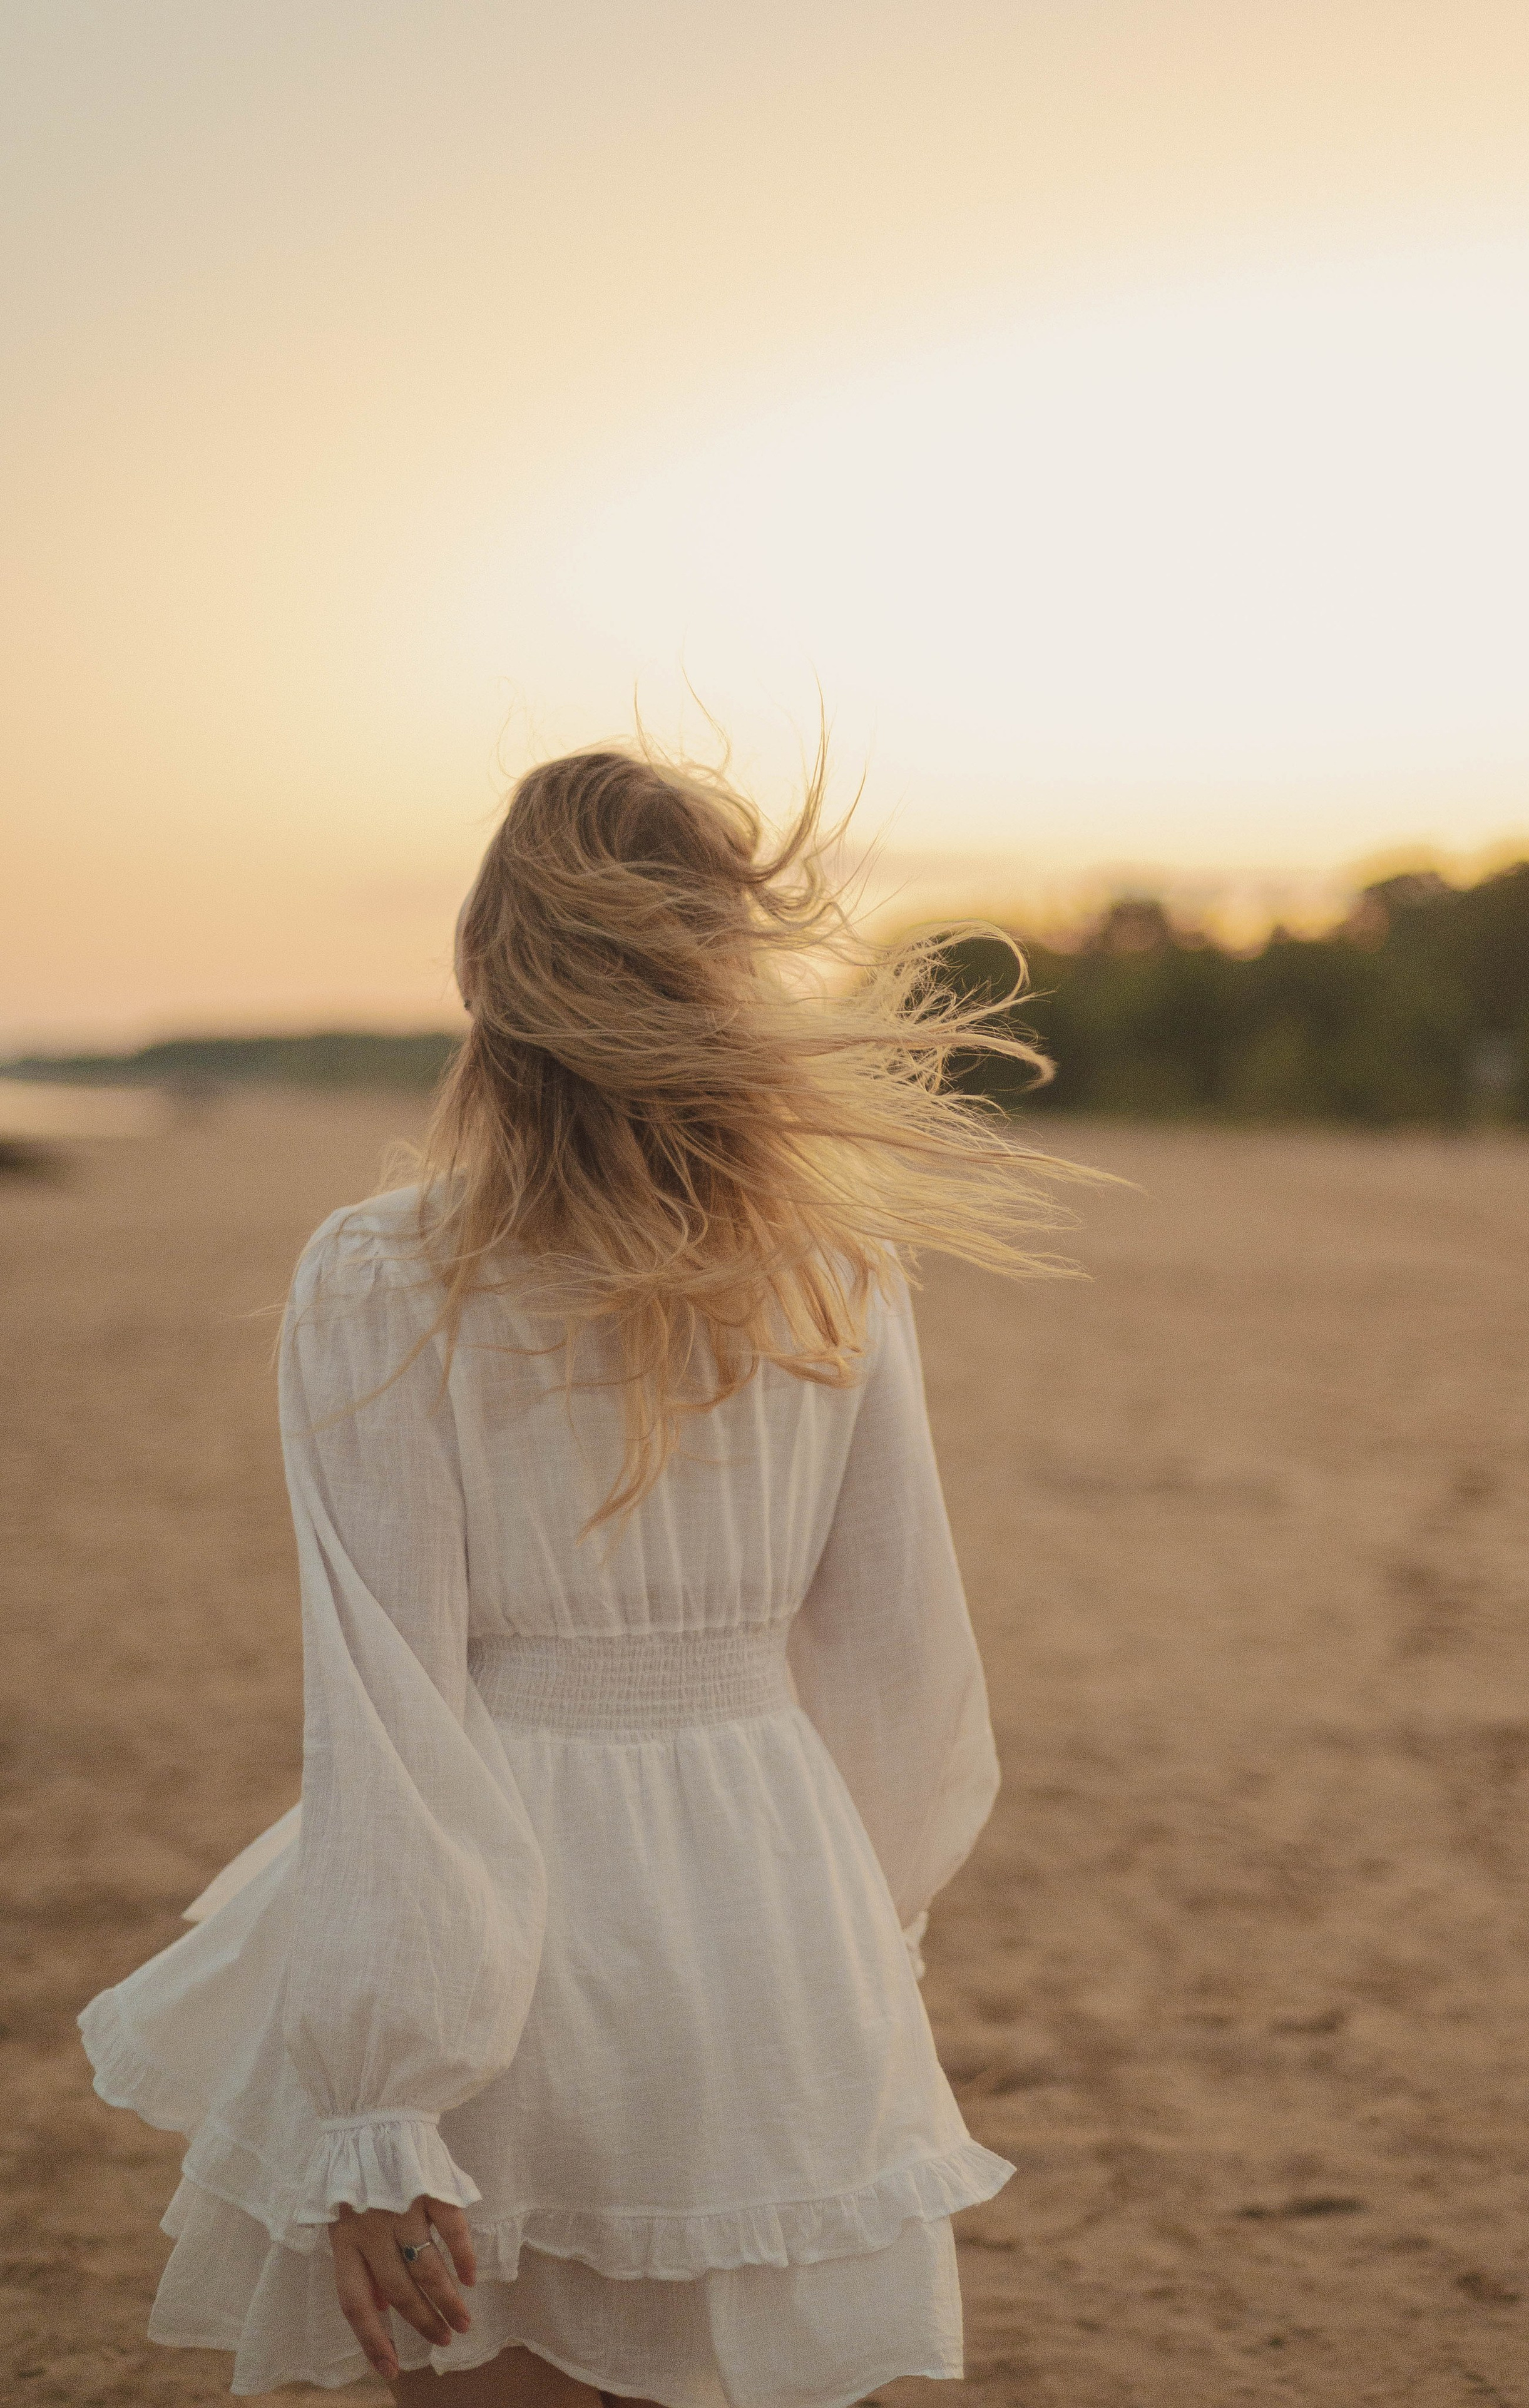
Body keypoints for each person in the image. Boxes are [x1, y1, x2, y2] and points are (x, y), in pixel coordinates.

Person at [81, 741, 1087, 2406]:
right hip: (773, 1894)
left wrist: (382, 2110)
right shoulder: (836, 1264)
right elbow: (904, 1667)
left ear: (486, 973)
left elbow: (392, 1712)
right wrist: (850, 1927)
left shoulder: (381, 1277)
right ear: (732, 974)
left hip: (500, 1919)